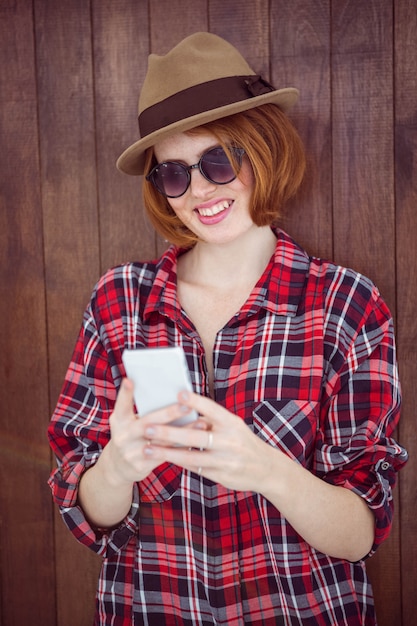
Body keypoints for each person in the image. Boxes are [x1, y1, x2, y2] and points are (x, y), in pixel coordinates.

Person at [47, 32, 408, 626]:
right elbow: (88, 509)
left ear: (262, 151)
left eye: (218, 160)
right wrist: (118, 464)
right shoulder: (120, 301)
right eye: (174, 174)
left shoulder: (345, 304)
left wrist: (264, 467)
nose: (200, 191)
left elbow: (360, 533)